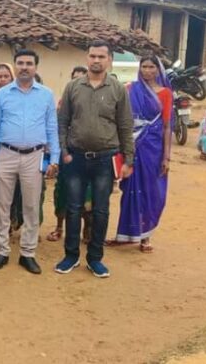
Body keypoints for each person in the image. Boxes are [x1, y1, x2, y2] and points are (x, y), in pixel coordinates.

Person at [55, 40, 134, 278]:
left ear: (109, 60)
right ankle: (70, 256)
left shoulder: (118, 89)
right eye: (92, 56)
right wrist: (64, 151)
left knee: (100, 211)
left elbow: (125, 125)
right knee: (73, 209)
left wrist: (128, 160)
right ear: (86, 58)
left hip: (105, 160)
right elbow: (62, 122)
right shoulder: (73, 87)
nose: (96, 60)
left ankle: (95, 258)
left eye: (101, 57)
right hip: (75, 159)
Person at [0, 49, 59, 275]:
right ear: (15, 65)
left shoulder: (46, 95)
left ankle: (27, 253)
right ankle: (1, 250)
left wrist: (54, 158)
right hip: (6, 154)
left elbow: (52, 128)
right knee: (2, 205)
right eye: (20, 63)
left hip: (34, 156)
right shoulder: (1, 94)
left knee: (31, 206)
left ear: (36, 67)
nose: (24, 67)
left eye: (29, 63)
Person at [108, 56, 171, 254]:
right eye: (144, 66)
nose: (147, 70)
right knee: (129, 190)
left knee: (151, 192)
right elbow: (121, 118)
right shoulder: (130, 89)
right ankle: (124, 235)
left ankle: (146, 237)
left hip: (153, 150)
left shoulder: (165, 93)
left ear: (158, 70)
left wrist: (166, 157)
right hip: (131, 147)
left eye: (151, 67)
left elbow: (167, 126)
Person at [47, 66, 94, 243]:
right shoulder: (63, 103)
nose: (77, 82)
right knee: (63, 189)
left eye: (81, 78)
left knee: (88, 191)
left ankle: (87, 229)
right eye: (74, 78)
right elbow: (57, 127)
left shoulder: (94, 101)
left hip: (88, 153)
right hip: (66, 152)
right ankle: (59, 227)